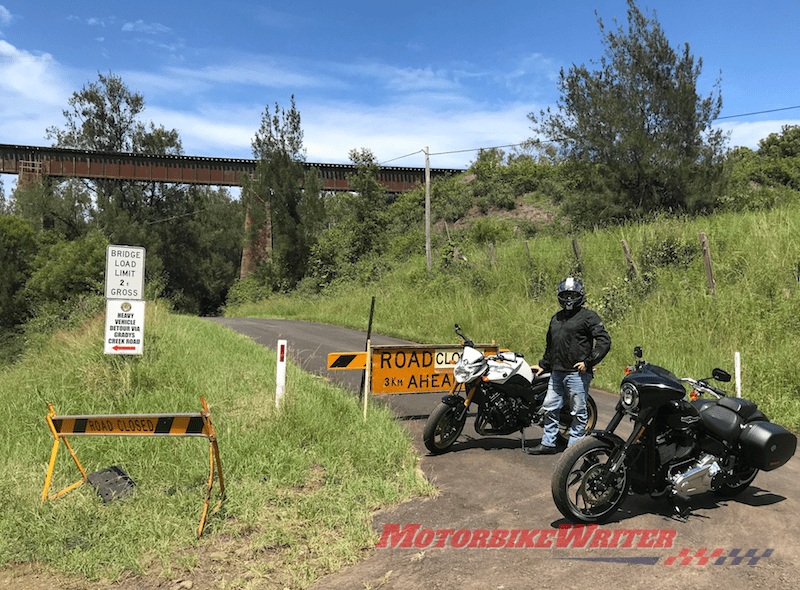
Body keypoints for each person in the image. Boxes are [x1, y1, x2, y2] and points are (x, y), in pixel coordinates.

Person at [526, 277, 611, 455]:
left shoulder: (589, 316)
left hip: (577, 374)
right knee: (549, 407)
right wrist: (544, 364)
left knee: (578, 412)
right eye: (566, 294)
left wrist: (589, 361)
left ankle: (573, 450)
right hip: (556, 373)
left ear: (580, 295)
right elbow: (551, 344)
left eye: (572, 294)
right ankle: (548, 443)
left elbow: (604, 341)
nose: (569, 298)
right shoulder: (556, 318)